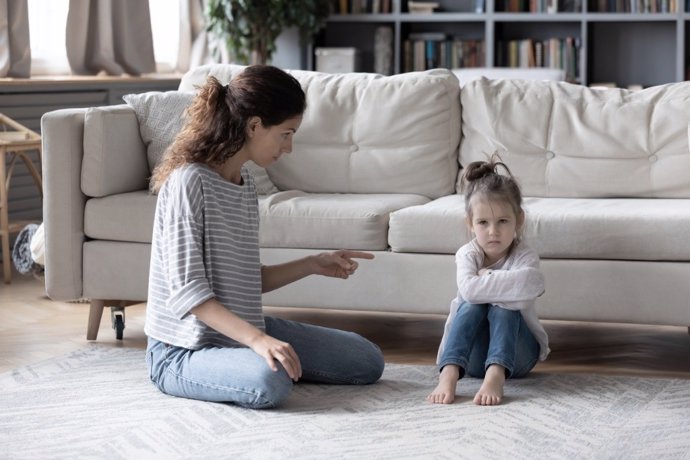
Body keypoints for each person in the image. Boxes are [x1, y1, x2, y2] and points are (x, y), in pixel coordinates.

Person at [144, 65, 385, 409]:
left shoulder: (245, 187)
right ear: (254, 125)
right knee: (270, 380)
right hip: (181, 351)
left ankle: (247, 358)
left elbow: (247, 280)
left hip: (236, 333)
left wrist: (313, 264)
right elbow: (189, 296)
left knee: (366, 360)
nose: (289, 147)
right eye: (286, 133)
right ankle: (245, 362)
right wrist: (258, 340)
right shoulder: (188, 183)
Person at [427, 157, 549, 406]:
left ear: (519, 220)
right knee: (472, 305)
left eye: (503, 221)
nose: (493, 231)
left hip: (517, 358)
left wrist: (487, 277)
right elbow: (470, 292)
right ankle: (449, 372)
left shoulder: (524, 256)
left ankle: (496, 375)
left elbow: (533, 284)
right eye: (483, 222)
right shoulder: (467, 254)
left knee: (505, 309)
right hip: (470, 359)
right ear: (470, 224)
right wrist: (506, 287)